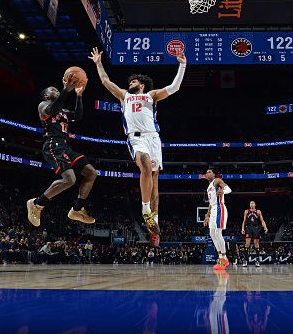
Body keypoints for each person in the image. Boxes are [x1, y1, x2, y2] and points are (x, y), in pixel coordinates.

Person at [89, 47, 187, 246]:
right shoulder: (124, 95)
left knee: (155, 182)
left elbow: (174, 87)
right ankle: (144, 208)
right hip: (136, 138)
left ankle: (154, 225)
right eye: (130, 82)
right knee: (143, 163)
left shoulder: (151, 95)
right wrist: (99, 63)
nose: (130, 83)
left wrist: (182, 65)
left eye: (133, 81)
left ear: (141, 85)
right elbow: (106, 82)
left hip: (154, 138)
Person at [27, 75, 96, 227]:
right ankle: (37, 204)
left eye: (58, 90)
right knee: (70, 180)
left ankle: (77, 210)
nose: (57, 91)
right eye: (54, 90)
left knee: (91, 172)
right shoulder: (43, 105)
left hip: (65, 146)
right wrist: (65, 89)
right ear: (46, 95)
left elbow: (78, 116)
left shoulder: (62, 109)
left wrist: (78, 95)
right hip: (53, 144)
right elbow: (52, 109)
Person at [203, 169, 232, 270]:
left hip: (220, 208)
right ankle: (221, 258)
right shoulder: (208, 187)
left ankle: (224, 258)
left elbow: (229, 189)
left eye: (210, 171)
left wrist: (223, 191)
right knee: (212, 234)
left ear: (214, 174)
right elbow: (211, 204)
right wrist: (207, 215)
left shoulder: (217, 181)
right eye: (206, 172)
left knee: (218, 233)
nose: (208, 173)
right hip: (214, 209)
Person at [241, 200, 268, 267]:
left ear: (255, 204)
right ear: (249, 205)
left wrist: (265, 227)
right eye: (251, 203)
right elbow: (244, 221)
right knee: (247, 244)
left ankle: (257, 261)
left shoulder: (258, 211)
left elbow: (262, 220)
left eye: (253, 203)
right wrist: (242, 228)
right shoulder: (246, 211)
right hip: (248, 227)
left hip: (255, 228)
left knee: (256, 244)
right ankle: (245, 260)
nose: (252, 204)